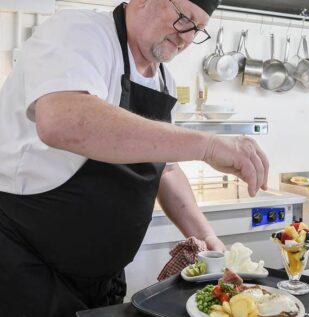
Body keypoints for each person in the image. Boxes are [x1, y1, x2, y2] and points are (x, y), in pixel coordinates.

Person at [0, 0, 269, 316]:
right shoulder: (81, 32)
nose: (187, 37)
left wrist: (206, 235)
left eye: (198, 29)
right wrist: (207, 145)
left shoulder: (163, 78)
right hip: (26, 264)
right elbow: (62, 120)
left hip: (102, 279)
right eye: (184, 18)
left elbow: (165, 171)